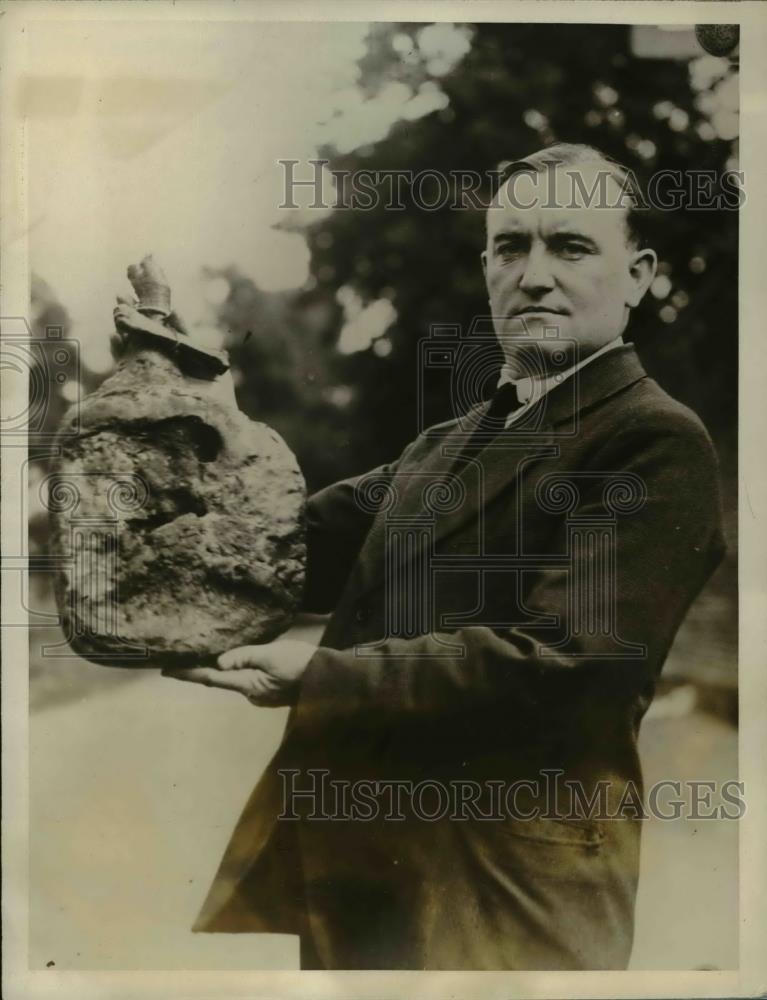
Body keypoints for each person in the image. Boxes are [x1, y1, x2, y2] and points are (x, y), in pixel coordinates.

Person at [153, 144, 726, 969]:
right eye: (509, 246)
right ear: (487, 268)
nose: (533, 276)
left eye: (569, 247)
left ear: (637, 276)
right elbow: (283, 549)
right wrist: (189, 427)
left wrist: (319, 676)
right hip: (367, 884)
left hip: (503, 900)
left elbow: (565, 665)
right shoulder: (444, 444)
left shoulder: (653, 439)